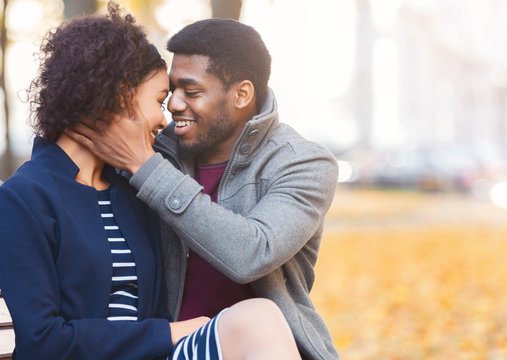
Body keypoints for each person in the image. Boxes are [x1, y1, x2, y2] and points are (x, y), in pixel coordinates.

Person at [0, 4, 301, 359]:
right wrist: (168, 333)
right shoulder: (24, 198)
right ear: (120, 96)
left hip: (159, 353)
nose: (166, 117)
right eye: (160, 100)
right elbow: (42, 341)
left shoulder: (132, 189)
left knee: (260, 315)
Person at [70, 18, 339, 360]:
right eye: (171, 91)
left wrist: (145, 168)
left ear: (242, 94)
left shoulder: (303, 163)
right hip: (165, 347)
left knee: (260, 319)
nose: (175, 105)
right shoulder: (152, 150)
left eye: (192, 91)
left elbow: (253, 254)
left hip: (262, 348)